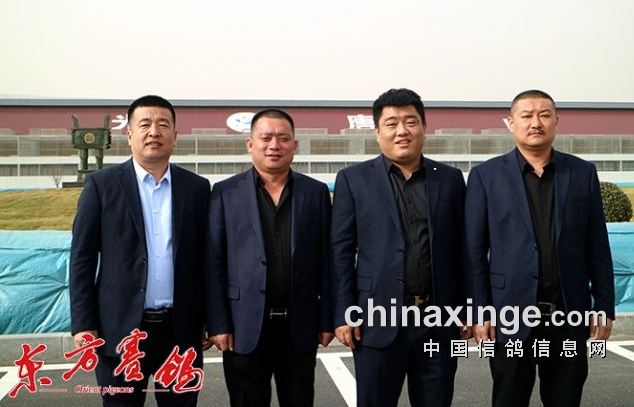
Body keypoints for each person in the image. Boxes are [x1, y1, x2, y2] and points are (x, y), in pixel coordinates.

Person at [465, 89, 615, 407]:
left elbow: (597, 247)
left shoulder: (582, 173)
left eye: (544, 115)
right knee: (509, 398)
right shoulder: (485, 177)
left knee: (566, 398)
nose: (536, 122)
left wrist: (604, 305)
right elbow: (474, 253)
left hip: (567, 315)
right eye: (527, 115)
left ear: (556, 121)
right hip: (509, 316)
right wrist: (480, 310)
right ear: (510, 123)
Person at [330, 88, 470, 407]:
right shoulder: (353, 180)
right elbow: (340, 252)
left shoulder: (449, 179)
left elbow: (463, 249)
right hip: (375, 320)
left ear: (424, 127)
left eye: (410, 121)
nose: (402, 131)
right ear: (377, 131)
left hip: (438, 320)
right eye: (391, 123)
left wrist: (467, 308)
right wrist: (343, 313)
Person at [69, 95, 211, 407]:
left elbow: (207, 260)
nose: (154, 132)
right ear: (129, 134)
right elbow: (82, 259)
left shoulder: (197, 189)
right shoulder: (102, 186)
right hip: (119, 330)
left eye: (163, 125)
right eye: (145, 124)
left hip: (180, 331)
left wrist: (209, 318)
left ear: (175, 135)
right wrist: (83, 323)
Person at [204, 108, 333, 407]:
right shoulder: (224, 193)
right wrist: (218, 323)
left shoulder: (315, 193)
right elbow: (213, 263)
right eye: (266, 138)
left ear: (294, 145)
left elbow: (328, 262)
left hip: (299, 325)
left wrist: (327, 319)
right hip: (243, 326)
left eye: (283, 138)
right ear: (250, 144)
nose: (274, 145)